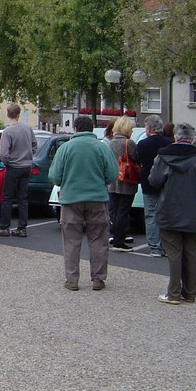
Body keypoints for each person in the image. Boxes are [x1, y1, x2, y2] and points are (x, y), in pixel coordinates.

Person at [149, 122, 196, 305]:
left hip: (169, 210)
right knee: (193, 252)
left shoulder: (163, 157)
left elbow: (154, 181)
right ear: (192, 139)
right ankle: (190, 293)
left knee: (174, 253)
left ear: (176, 137)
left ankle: (173, 293)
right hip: (195, 211)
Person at [48, 116, 119, 291]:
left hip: (71, 199)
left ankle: (72, 279)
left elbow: (55, 176)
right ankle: (98, 278)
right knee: (98, 240)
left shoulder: (66, 148)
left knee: (71, 240)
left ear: (75, 128)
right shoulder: (102, 148)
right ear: (92, 128)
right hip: (97, 198)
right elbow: (112, 174)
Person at [0, 104, 37, 237]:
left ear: (7, 114)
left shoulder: (8, 131)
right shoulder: (27, 128)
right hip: (26, 165)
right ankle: (22, 227)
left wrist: (7, 162)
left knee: (7, 197)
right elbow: (34, 145)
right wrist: (29, 156)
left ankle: (4, 226)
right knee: (22, 198)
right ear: (19, 114)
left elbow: (4, 153)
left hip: (14, 166)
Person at [136, 115, 173, 257]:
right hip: (166, 182)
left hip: (148, 182)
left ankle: (154, 247)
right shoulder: (169, 143)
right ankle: (166, 246)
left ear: (149, 129)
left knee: (151, 215)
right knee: (166, 215)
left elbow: (138, 160)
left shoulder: (143, 144)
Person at [107, 116, 139, 252]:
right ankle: (119, 241)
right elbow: (136, 159)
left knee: (115, 211)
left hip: (113, 182)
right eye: (131, 128)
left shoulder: (111, 143)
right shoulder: (129, 143)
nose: (132, 130)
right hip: (126, 181)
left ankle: (116, 237)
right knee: (123, 212)